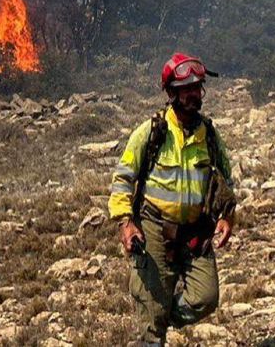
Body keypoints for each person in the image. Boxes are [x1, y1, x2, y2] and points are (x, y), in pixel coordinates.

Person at [109, 52, 236, 346]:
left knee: (206, 297)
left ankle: (160, 317)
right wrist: (126, 223)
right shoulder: (152, 132)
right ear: (171, 93)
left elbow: (227, 180)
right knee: (151, 319)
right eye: (186, 89)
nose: (193, 94)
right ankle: (152, 331)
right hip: (154, 230)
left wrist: (228, 216)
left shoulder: (209, 135)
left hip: (195, 232)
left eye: (197, 88)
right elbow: (123, 178)